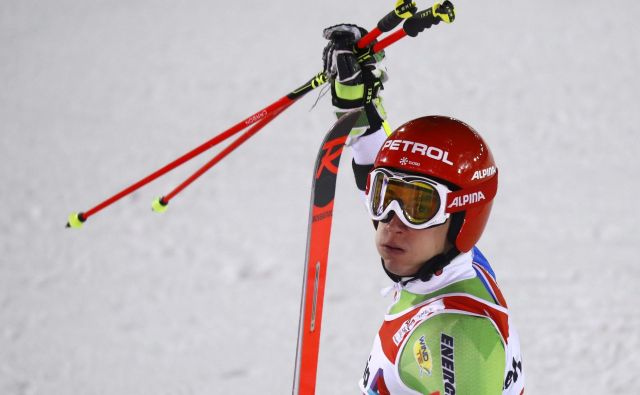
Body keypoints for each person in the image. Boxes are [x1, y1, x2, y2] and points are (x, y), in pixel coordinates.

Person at [322, 24, 525, 394]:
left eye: (419, 207)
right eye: (384, 195)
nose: (391, 222)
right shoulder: (448, 262)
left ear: (462, 218)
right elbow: (382, 178)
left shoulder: (455, 338)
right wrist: (357, 108)